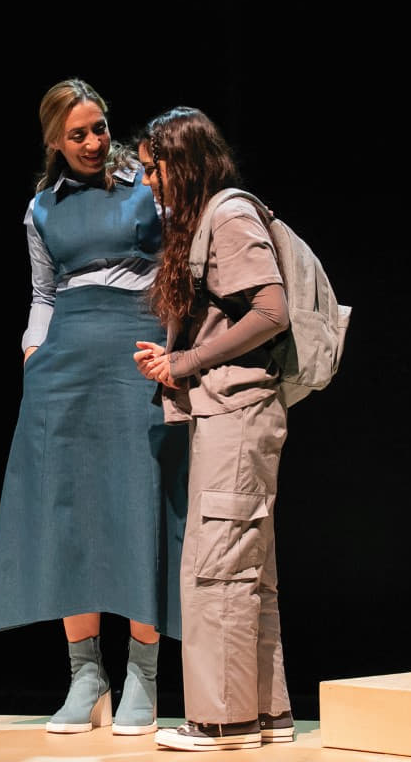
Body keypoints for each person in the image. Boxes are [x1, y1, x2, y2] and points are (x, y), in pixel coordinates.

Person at [0, 78, 188, 736]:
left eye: (99, 128)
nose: (95, 142)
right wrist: (31, 350)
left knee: (138, 504)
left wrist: (174, 348)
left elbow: (177, 271)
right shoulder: (41, 207)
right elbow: (43, 291)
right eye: (78, 134)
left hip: (137, 354)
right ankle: (86, 676)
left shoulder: (147, 187)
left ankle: (144, 676)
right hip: (64, 363)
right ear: (54, 141)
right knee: (69, 513)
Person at [132, 106, 297, 751]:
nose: (148, 181)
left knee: (219, 568)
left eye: (154, 168)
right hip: (233, 413)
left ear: (183, 162)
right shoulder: (212, 218)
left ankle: (223, 722)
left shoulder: (226, 215)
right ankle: (266, 714)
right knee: (246, 568)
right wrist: (178, 358)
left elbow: (272, 311)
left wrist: (187, 362)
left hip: (238, 414)